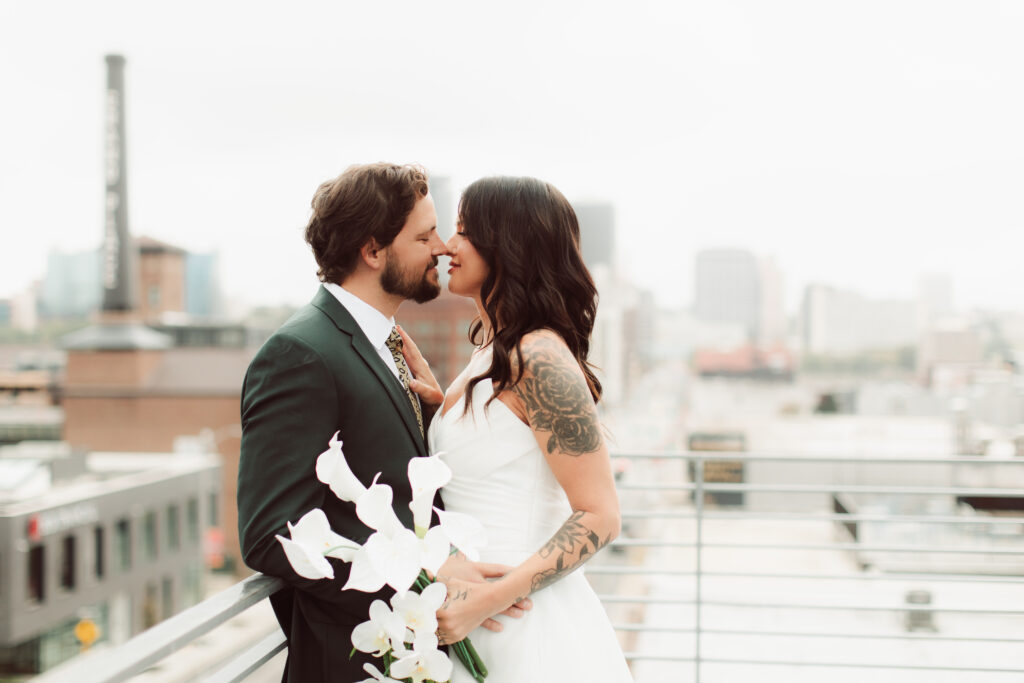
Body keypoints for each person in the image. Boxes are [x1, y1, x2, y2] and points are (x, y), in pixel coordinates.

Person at [236, 163, 528, 683]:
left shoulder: (385, 342)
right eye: (424, 235)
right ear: (373, 252)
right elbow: (268, 535)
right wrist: (421, 581)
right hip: (349, 660)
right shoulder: (301, 353)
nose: (441, 247)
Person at [405, 176, 634, 681]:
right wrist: (442, 409)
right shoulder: (493, 353)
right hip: (474, 620)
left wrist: (486, 600)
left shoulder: (540, 355)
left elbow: (600, 515)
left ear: (507, 244)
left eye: (465, 231)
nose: (448, 245)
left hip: (524, 626)